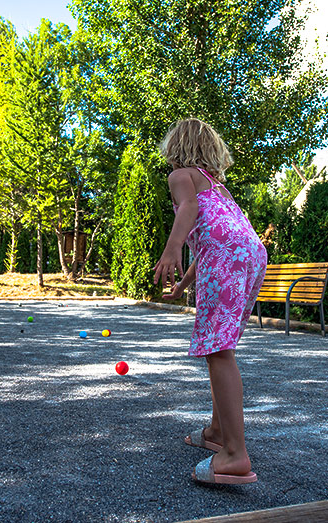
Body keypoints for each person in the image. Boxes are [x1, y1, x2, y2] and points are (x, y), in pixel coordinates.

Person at [153, 118, 267, 485]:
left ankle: (234, 453)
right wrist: (186, 283)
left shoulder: (181, 176)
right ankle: (218, 431)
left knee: (219, 350)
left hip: (227, 257)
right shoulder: (218, 187)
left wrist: (171, 251)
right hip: (249, 256)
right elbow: (214, 243)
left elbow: (187, 209)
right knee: (222, 345)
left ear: (177, 147)